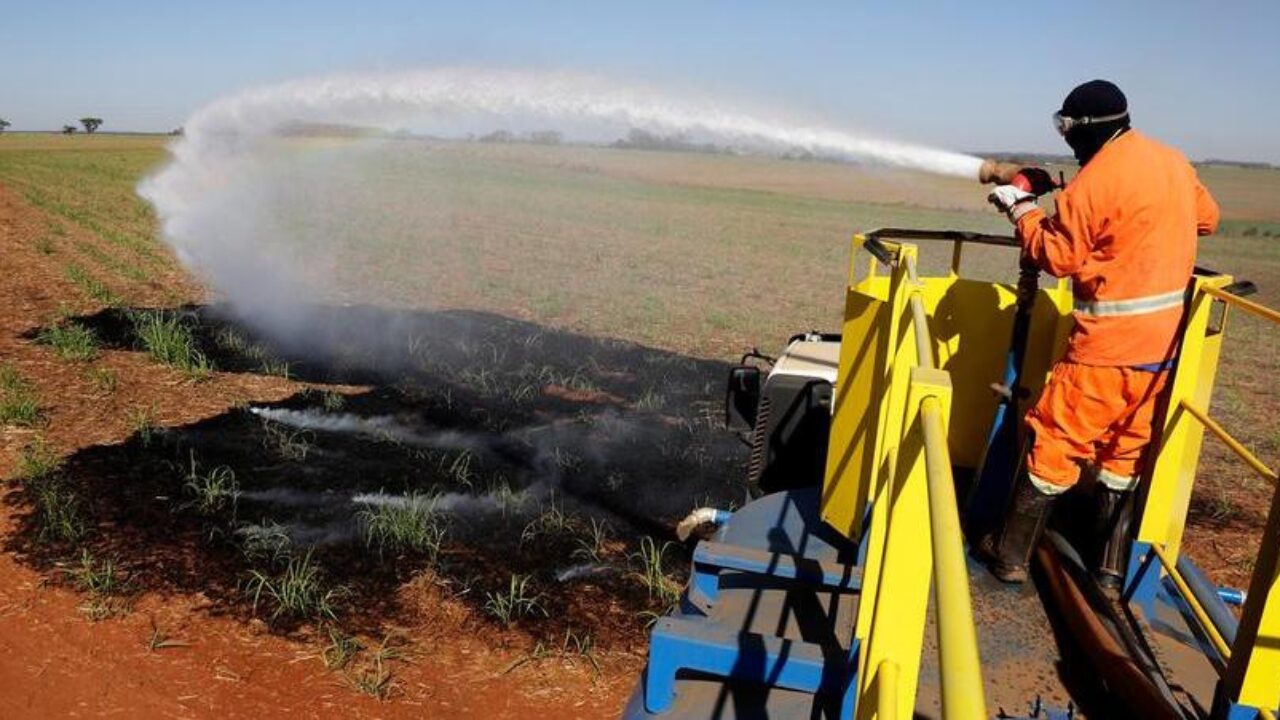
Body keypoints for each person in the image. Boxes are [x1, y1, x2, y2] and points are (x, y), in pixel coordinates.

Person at [982, 79, 1220, 586]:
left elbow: (1057, 257)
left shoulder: (1094, 183)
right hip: (1163, 350)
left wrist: (1021, 209)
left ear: (1081, 129)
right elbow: (1207, 220)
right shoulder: (1171, 161)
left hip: (1106, 349)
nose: (1065, 138)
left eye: (1065, 128)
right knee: (1124, 452)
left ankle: (1009, 556)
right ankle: (1110, 572)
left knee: (1055, 442)